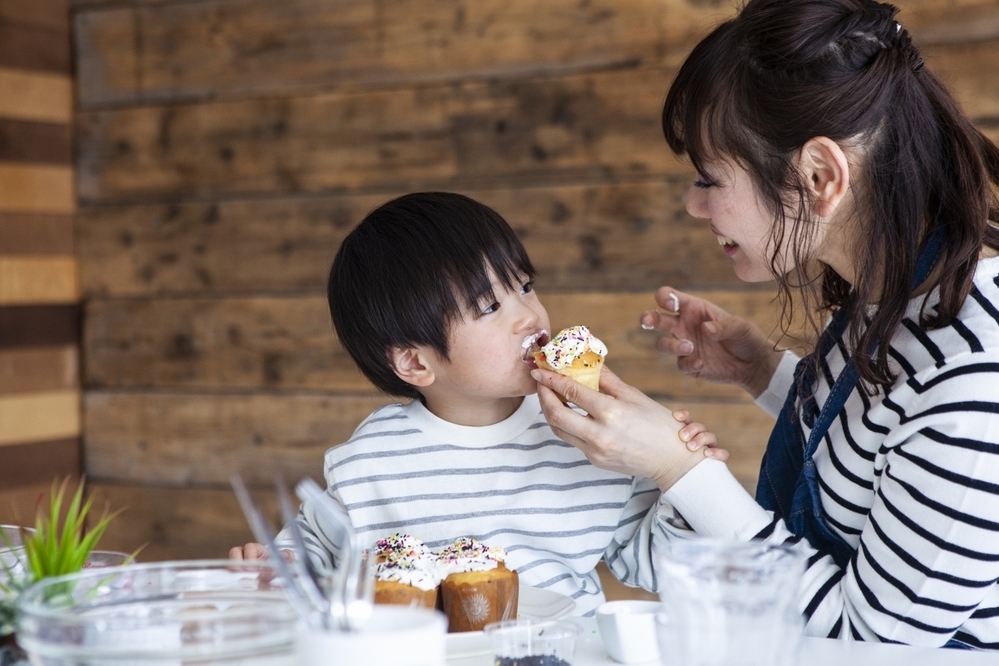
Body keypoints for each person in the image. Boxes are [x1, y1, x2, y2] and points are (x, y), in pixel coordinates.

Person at [532, 0, 999, 648]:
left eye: (708, 179)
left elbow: (870, 643)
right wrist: (767, 374)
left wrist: (679, 470)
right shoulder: (900, 290)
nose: (693, 205)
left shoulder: (975, 377)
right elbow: (886, 444)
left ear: (819, 176)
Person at [229, 192, 718, 615]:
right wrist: (278, 565)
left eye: (524, 287)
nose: (529, 316)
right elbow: (316, 546)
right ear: (415, 363)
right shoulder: (373, 458)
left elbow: (661, 565)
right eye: (490, 306)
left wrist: (682, 476)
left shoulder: (587, 436)